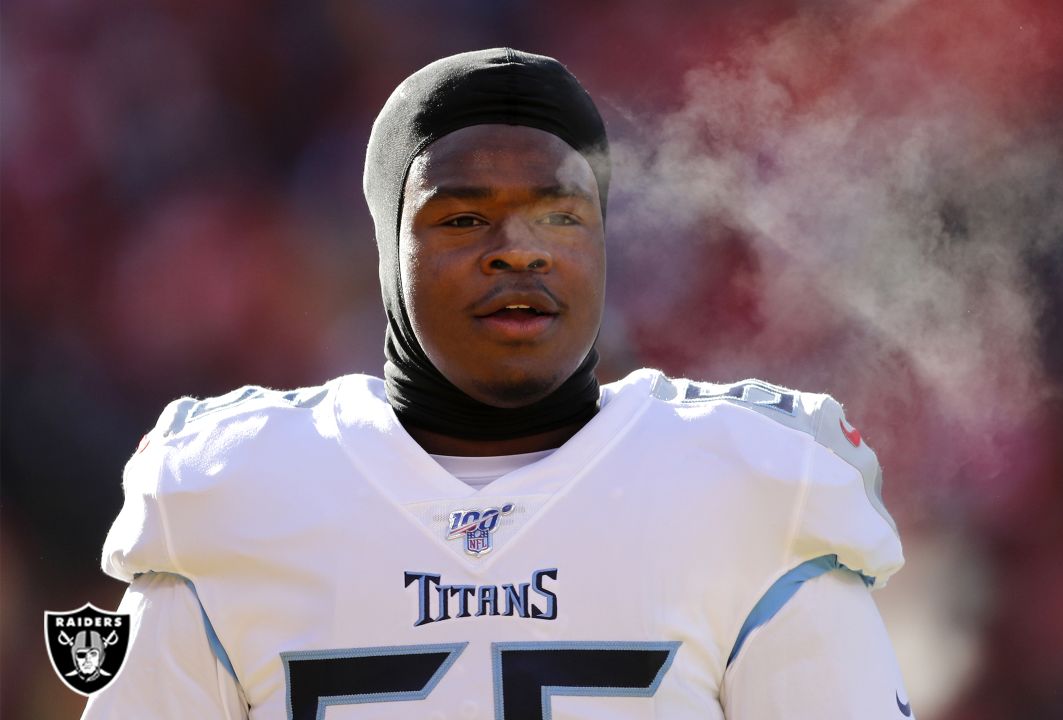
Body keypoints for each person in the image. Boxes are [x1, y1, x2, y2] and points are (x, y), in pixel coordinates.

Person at [83, 48, 911, 719]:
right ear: (387, 249)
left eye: (560, 214)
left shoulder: (754, 491)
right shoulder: (232, 499)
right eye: (463, 217)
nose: (520, 250)